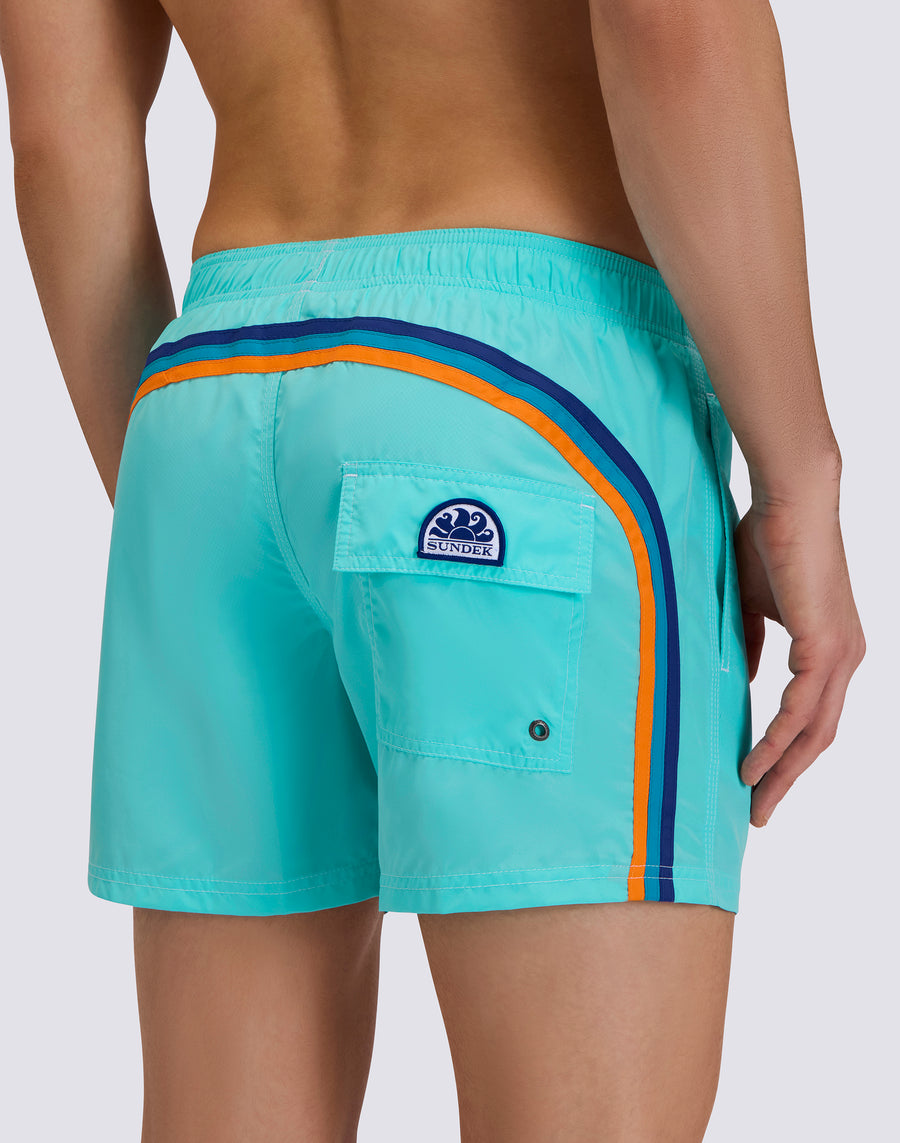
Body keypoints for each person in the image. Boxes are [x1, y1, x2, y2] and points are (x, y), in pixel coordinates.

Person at [0, 1, 865, 1139]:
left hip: (205, 399)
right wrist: (799, 476)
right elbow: (670, 23)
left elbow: (59, 130)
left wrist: (190, 499)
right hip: (519, 396)